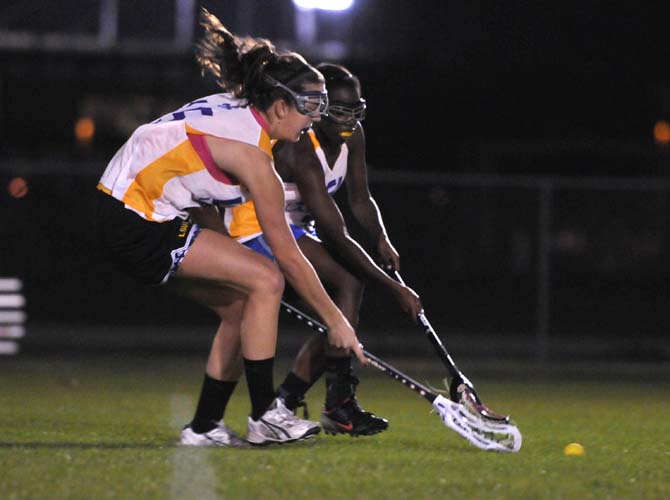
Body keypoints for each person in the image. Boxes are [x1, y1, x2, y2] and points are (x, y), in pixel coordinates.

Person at [95, 9, 365, 447]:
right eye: (311, 106)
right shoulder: (253, 155)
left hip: (128, 210)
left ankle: (204, 427)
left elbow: (182, 171)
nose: (316, 118)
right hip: (137, 219)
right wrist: (336, 321)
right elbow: (288, 255)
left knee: (243, 307)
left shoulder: (240, 113)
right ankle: (265, 418)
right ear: (280, 106)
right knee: (266, 279)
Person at [221, 63, 423, 436]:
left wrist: (381, 236)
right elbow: (335, 232)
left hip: (296, 229)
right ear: (319, 106)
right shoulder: (300, 146)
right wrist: (395, 288)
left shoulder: (353, 136)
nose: (347, 121)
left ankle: (290, 397)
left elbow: (360, 198)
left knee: (341, 310)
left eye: (355, 111)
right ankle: (338, 404)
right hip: (256, 226)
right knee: (348, 286)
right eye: (338, 111)